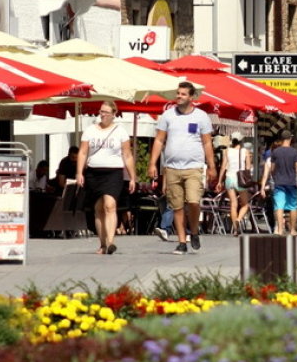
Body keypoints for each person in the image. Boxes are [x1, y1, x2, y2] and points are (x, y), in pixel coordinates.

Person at [147, 81, 216, 255]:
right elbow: (159, 140)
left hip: (194, 167)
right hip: (171, 167)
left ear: (191, 97)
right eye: (178, 93)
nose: (179, 96)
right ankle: (182, 241)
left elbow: (207, 142)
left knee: (193, 201)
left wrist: (212, 166)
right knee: (177, 206)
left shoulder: (201, 116)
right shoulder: (168, 116)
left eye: (183, 94)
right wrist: (152, 163)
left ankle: (194, 231)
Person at [76, 101, 136, 255]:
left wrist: (132, 177)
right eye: (101, 111)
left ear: (113, 114)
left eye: (106, 112)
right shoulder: (90, 130)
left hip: (113, 172)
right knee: (98, 208)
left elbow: (127, 155)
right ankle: (102, 244)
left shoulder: (120, 131)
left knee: (110, 205)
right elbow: (83, 152)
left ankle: (110, 242)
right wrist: (79, 172)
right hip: (94, 172)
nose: (103, 115)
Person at [269, 129, 297, 236]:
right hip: (291, 182)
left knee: (279, 206)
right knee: (293, 206)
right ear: (290, 139)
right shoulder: (294, 152)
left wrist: (275, 177)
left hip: (279, 182)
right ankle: (293, 230)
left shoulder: (275, 152)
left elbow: (272, 169)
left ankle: (280, 229)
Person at [217, 132, 253, 236]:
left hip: (229, 178)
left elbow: (223, 166)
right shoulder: (245, 151)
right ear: (241, 141)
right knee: (245, 204)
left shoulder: (227, 151)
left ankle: (235, 229)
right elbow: (248, 167)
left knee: (233, 204)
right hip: (240, 179)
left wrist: (219, 181)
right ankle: (238, 219)